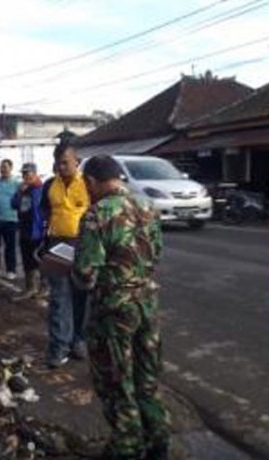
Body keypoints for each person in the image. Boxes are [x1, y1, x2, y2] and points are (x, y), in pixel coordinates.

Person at [72, 155, 169, 460]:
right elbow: (156, 254)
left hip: (113, 311)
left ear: (90, 182)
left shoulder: (97, 214)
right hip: (147, 304)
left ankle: (127, 447)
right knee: (147, 378)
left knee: (117, 383)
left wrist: (72, 268)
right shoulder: (148, 207)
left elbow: (85, 274)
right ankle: (157, 440)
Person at [42, 141, 90, 368]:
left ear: (77, 162)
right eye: (57, 163)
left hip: (83, 245)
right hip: (57, 245)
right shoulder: (50, 184)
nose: (61, 167)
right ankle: (59, 347)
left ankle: (78, 341)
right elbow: (44, 211)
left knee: (81, 295)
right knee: (59, 298)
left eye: (65, 163)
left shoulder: (89, 184)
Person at [12, 163, 45, 301]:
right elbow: (13, 204)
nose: (25, 176)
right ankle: (30, 287)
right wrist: (20, 191)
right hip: (25, 230)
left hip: (38, 231)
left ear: (35, 174)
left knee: (40, 260)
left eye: (28, 173)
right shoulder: (24, 190)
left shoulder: (41, 189)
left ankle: (44, 287)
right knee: (27, 261)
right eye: (24, 173)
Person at [0, 159, 20, 280]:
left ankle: (11, 270)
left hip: (11, 219)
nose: (3, 169)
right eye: (1, 167)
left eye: (6, 167)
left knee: (10, 247)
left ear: (11, 168)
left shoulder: (17, 184)